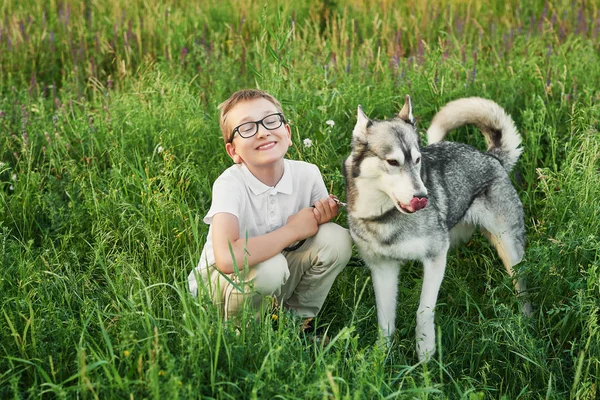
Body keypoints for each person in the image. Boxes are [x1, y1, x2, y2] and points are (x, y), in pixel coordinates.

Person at [188, 89, 352, 325]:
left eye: (271, 121)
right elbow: (227, 258)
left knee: (336, 238)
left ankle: (295, 324)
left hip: (275, 274)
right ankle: (241, 333)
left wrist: (323, 216)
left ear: (287, 132)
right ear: (233, 151)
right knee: (270, 267)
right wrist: (292, 231)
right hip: (221, 286)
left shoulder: (307, 174)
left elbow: (315, 238)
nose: (263, 132)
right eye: (246, 128)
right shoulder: (229, 184)